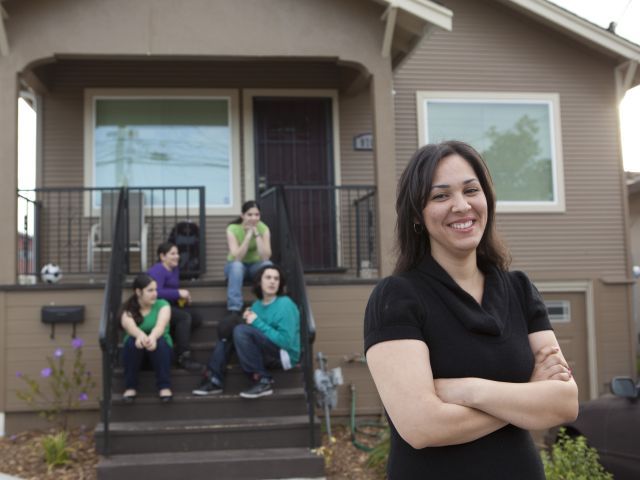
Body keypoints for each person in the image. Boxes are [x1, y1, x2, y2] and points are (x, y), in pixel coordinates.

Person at [364, 141, 578, 479]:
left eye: (471, 190)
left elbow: (565, 403)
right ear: (417, 215)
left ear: (487, 200)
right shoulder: (397, 297)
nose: (461, 206)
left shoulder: (519, 289)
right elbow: (422, 427)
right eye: (441, 196)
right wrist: (527, 397)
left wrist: (469, 390)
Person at [193, 264, 300, 399]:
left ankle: (262, 380)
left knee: (241, 331)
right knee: (231, 331)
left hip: (284, 356)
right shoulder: (256, 305)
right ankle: (214, 379)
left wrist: (256, 322)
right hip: (265, 353)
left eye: (276, 279)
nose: (272, 281)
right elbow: (255, 337)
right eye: (268, 277)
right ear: (259, 282)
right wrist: (247, 321)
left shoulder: (285, 304)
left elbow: (285, 342)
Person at [148, 242, 203, 372]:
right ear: (162, 256)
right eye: (172, 253)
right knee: (184, 317)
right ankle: (183, 357)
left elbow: (171, 291)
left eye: (177, 253)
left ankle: (172, 337)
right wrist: (178, 293)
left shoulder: (174, 269)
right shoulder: (158, 270)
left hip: (169, 305)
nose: (177, 256)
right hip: (156, 307)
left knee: (196, 318)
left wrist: (181, 298)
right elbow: (156, 292)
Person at [120, 273, 173, 403]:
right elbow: (130, 327)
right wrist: (140, 336)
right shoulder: (128, 309)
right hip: (136, 353)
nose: (155, 293)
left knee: (160, 342)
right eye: (150, 290)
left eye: (155, 289)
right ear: (138, 292)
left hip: (161, 352)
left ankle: (164, 386)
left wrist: (153, 337)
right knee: (132, 342)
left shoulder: (163, 305)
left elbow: (160, 326)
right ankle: (130, 387)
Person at [224, 200, 273, 317]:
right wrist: (248, 236)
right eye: (249, 215)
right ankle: (234, 309)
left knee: (268, 265)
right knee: (237, 266)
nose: (253, 218)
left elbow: (265, 257)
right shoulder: (232, 229)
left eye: (257, 215)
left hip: (254, 267)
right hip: (234, 266)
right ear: (242, 215)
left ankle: (268, 303)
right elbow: (237, 257)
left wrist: (256, 234)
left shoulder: (264, 229)